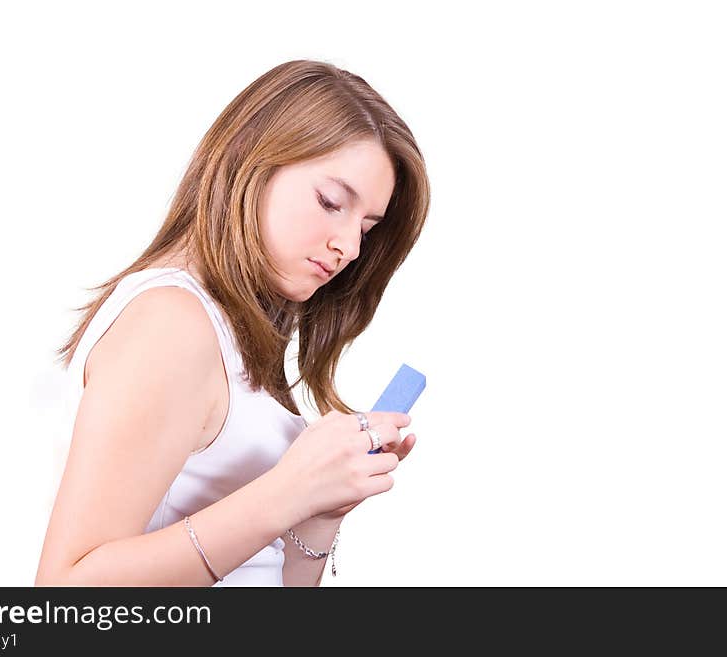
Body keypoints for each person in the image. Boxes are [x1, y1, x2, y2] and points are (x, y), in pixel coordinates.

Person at [34, 59, 431, 586]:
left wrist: (318, 512)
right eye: (331, 202)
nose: (350, 246)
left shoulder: (235, 338)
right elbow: (66, 598)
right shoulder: (170, 323)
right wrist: (287, 492)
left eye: (366, 227)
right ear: (252, 161)